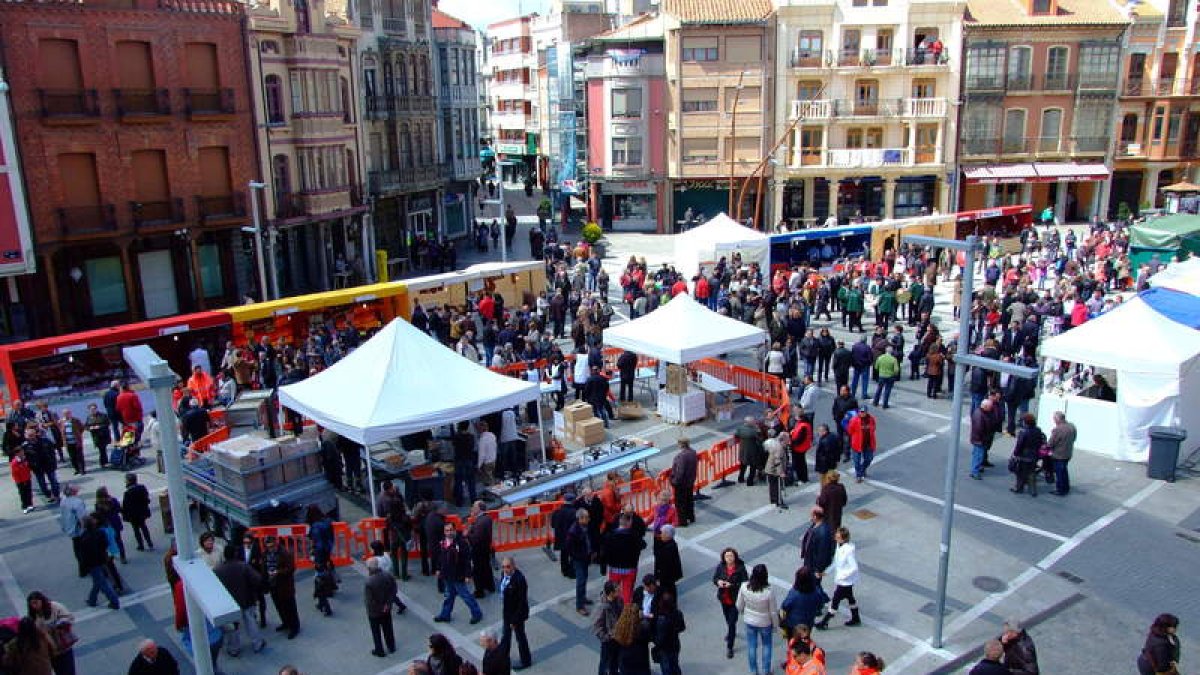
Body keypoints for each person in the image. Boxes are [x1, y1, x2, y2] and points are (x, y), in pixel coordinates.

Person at [214, 543, 265, 656]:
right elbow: (257, 579)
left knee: (233, 627)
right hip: (246, 599)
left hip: (229, 604)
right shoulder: (243, 566)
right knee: (251, 622)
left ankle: (234, 648)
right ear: (235, 554)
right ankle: (257, 643)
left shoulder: (218, 570)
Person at [433, 522, 484, 624]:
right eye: (447, 530)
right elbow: (440, 557)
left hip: (458, 575)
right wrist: (438, 569)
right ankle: (445, 614)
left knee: (466, 596)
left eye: (451, 530)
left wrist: (468, 575)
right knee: (449, 596)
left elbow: (467, 560)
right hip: (447, 575)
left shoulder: (461, 543)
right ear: (444, 532)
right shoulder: (442, 542)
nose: (449, 532)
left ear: (454, 530)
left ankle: (477, 614)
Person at [815, 527, 861, 629]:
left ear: (843, 539)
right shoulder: (839, 546)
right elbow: (836, 562)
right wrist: (825, 572)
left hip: (845, 582)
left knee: (835, 601)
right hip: (844, 581)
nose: (835, 538)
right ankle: (856, 617)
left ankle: (824, 622)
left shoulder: (848, 551)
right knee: (850, 598)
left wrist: (842, 576)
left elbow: (854, 568)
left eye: (838, 537)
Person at [736, 563, 776, 675]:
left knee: (751, 646)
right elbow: (773, 611)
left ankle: (754, 671)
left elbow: (739, 605)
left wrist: (744, 612)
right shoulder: (769, 591)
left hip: (749, 620)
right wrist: (776, 625)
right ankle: (766, 671)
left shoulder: (744, 587)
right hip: (765, 622)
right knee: (767, 645)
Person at [27, 591, 76, 675]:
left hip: (63, 646)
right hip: (50, 650)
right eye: (32, 604)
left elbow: (69, 618)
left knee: (69, 671)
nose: (34, 606)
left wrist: (54, 626)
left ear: (41, 600)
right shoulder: (33, 615)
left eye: (36, 603)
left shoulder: (55, 606)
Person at [712, 547, 749, 660]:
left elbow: (745, 583)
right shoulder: (721, 566)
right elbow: (715, 578)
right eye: (727, 556)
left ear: (735, 557)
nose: (729, 558)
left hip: (735, 599)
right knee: (728, 619)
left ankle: (730, 647)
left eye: (731, 556)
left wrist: (732, 585)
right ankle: (731, 631)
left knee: (732, 622)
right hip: (724, 598)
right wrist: (718, 582)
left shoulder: (740, 568)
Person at [261, 536, 299, 638]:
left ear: (276, 544)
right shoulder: (265, 554)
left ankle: (294, 627)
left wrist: (278, 572)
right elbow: (264, 568)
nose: (271, 548)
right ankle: (285, 623)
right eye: (268, 547)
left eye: (272, 546)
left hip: (285, 586)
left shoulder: (284, 553)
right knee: (279, 606)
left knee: (290, 608)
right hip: (273, 585)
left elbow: (291, 568)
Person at [498, 556, 532, 670]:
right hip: (507, 612)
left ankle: (526, 660)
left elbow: (522, 602)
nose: (505, 569)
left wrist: (515, 620)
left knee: (520, 636)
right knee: (506, 636)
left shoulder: (519, 580)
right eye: (503, 567)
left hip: (516, 614)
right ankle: (502, 658)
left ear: (513, 566)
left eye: (508, 567)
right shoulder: (504, 575)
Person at [80, 515, 121, 609]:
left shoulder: (84, 537)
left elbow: (83, 553)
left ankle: (114, 601)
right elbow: (105, 544)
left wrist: (84, 566)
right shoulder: (99, 532)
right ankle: (92, 599)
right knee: (98, 581)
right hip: (102, 559)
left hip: (92, 563)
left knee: (102, 583)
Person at [604, 512, 645, 603]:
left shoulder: (610, 535)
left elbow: (605, 551)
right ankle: (626, 612)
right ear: (630, 522)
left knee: (612, 590)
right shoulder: (634, 535)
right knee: (627, 591)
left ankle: (612, 608)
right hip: (630, 569)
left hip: (614, 569)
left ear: (620, 522)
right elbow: (642, 545)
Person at [365, 556, 398, 657]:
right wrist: (388, 604)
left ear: (369, 568)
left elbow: (370, 601)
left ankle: (379, 650)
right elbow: (394, 589)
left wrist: (379, 608)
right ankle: (391, 646)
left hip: (374, 612)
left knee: (376, 631)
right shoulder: (387, 575)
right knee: (388, 628)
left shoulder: (369, 582)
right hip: (386, 608)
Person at [780, 567, 827, 638]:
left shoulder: (794, 593)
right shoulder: (816, 592)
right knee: (805, 639)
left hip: (793, 624)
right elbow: (820, 605)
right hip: (808, 621)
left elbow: (785, 606)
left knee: (793, 642)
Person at [1010, 414, 1045, 497]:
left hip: (1024, 456)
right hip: (1034, 455)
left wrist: (1015, 454)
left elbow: (1019, 445)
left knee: (1020, 473)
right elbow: (1040, 441)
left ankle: (1019, 488)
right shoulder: (1038, 430)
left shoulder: (1023, 432)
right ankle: (1033, 490)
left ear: (1025, 422)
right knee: (1031, 472)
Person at [613, 602, 652, 675]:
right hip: (641, 662)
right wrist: (643, 618)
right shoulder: (642, 629)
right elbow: (650, 636)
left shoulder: (620, 628)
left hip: (625, 662)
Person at [593, 580, 623, 675]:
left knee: (615, 661)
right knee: (605, 663)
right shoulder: (602, 607)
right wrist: (607, 637)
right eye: (617, 590)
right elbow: (597, 627)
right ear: (611, 593)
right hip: (608, 641)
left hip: (618, 638)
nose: (620, 591)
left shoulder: (619, 600)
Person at [466, 501, 496, 597]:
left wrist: (468, 534)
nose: (472, 508)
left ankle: (479, 591)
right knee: (486, 568)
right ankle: (490, 586)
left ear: (479, 509)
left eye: (474, 507)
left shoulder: (481, 522)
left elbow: (475, 539)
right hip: (485, 549)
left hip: (478, 550)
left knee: (478, 571)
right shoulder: (486, 518)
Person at [59, 484, 88, 576]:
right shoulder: (77, 502)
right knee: (84, 549)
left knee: (77, 548)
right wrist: (85, 528)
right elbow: (82, 517)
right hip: (79, 529)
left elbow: (63, 516)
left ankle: (82, 568)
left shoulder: (63, 501)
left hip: (70, 528)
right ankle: (84, 567)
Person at [800, 508, 834, 587]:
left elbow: (823, 553)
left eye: (811, 515)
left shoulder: (823, 532)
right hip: (810, 561)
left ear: (815, 517)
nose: (810, 517)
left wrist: (818, 570)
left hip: (814, 565)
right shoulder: (816, 525)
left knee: (815, 585)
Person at [1047, 411, 1077, 496]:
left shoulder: (1058, 429)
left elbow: (1051, 443)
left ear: (1057, 419)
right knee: (1064, 471)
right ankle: (1066, 487)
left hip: (1059, 455)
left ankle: (1060, 490)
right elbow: (1074, 438)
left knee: (1059, 473)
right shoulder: (1072, 426)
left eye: (1054, 419)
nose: (1054, 421)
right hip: (1068, 453)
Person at [121, 473, 153, 551]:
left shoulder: (127, 493)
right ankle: (149, 542)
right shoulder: (142, 488)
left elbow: (125, 506)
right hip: (142, 512)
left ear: (129, 481)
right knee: (144, 527)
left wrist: (124, 514)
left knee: (136, 530)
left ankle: (140, 545)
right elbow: (146, 499)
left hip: (133, 515)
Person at [670, 437, 697, 526]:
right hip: (690, 481)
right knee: (689, 500)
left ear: (681, 444)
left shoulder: (682, 456)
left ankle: (683, 521)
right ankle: (691, 517)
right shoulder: (693, 452)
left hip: (682, 483)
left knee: (680, 503)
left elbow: (680, 471)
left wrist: (675, 481)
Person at [846, 407, 877, 483]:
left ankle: (862, 469)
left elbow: (873, 428)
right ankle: (858, 476)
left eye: (863, 412)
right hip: (857, 444)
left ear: (866, 412)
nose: (862, 413)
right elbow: (850, 431)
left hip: (868, 444)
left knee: (869, 459)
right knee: (857, 461)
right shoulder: (854, 420)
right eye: (861, 412)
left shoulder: (871, 419)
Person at [653, 525, 683, 600]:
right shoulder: (669, 543)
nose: (661, 535)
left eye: (662, 533)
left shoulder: (669, 548)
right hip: (669, 575)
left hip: (667, 576)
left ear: (668, 536)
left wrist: (658, 578)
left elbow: (658, 556)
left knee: (668, 591)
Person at [735, 416, 765, 486]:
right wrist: (759, 432)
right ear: (749, 423)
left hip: (743, 451)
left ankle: (740, 478)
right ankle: (750, 481)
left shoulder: (740, 428)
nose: (754, 422)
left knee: (743, 466)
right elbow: (760, 439)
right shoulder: (754, 431)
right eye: (753, 421)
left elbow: (736, 435)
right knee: (753, 467)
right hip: (752, 452)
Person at [764, 428, 789, 510]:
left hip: (770, 469)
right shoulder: (779, 448)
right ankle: (779, 502)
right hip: (774, 470)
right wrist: (781, 472)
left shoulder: (776, 444)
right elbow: (778, 461)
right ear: (783, 440)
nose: (788, 441)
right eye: (787, 440)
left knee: (773, 486)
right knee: (777, 486)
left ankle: (773, 500)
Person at [10, 446, 34, 514]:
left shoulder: (24, 459)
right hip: (20, 481)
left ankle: (30, 504)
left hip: (27, 478)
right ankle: (24, 506)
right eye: (21, 452)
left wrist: (29, 475)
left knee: (29, 492)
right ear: (17, 453)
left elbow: (28, 468)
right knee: (23, 494)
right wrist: (20, 481)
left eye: (23, 451)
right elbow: (15, 473)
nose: (23, 453)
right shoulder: (15, 462)